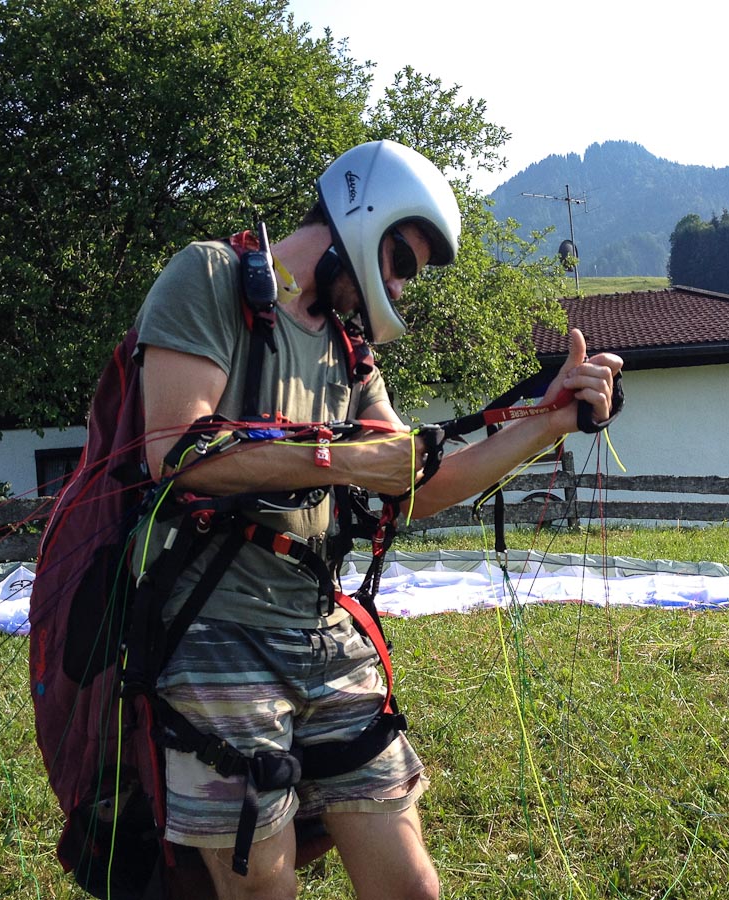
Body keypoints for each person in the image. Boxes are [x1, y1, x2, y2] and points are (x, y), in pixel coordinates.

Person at [132, 139, 622, 900]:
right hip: (215, 627)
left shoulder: (350, 351)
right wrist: (342, 459)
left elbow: (416, 487)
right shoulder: (211, 277)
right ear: (361, 218)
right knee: (263, 888)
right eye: (400, 261)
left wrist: (548, 421)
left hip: (323, 629)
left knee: (411, 885)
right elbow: (175, 450)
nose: (397, 284)